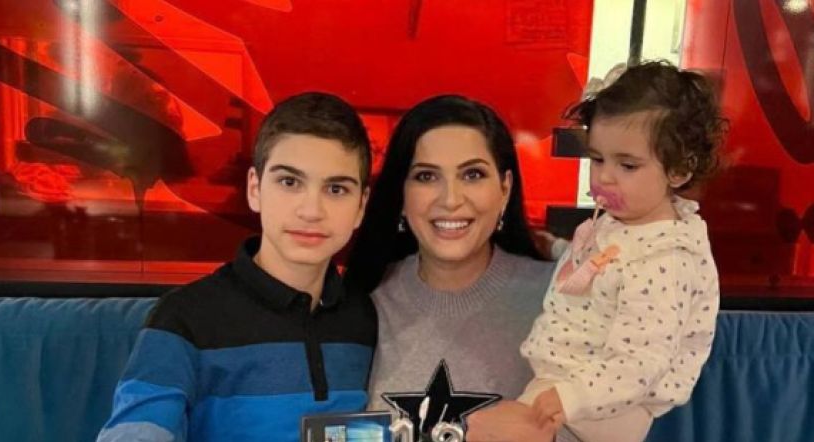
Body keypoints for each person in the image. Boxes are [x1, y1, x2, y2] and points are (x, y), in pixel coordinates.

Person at [468, 60, 726, 442]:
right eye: (598, 159)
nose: (604, 176)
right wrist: (555, 248)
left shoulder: (666, 259)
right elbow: (597, 271)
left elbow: (641, 363)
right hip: (570, 387)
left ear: (679, 171)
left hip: (605, 406)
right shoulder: (624, 224)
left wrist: (571, 397)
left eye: (628, 165)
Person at [97, 92, 375, 442]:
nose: (311, 210)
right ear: (255, 189)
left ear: (361, 206)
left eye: (336, 189)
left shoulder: (368, 317)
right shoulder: (185, 318)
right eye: (289, 182)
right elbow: (138, 431)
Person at [344, 95, 554, 433]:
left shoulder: (557, 299)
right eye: (427, 176)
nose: (451, 199)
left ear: (504, 188)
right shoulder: (364, 302)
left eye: (472, 174)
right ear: (401, 194)